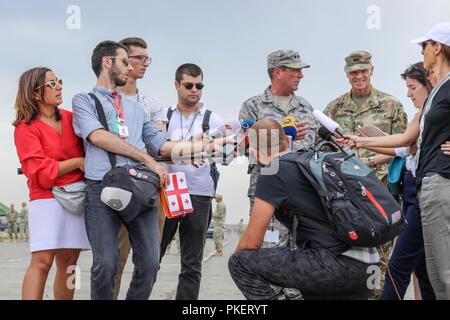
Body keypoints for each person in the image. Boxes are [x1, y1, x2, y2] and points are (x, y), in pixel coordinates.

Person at [72, 41, 225, 300]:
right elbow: (98, 137)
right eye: (124, 62)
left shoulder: (136, 109)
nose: (130, 67)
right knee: (106, 263)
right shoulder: (84, 101)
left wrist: (204, 146)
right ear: (106, 62)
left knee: (150, 263)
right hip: (102, 189)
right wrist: (146, 158)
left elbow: (163, 146)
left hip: (141, 189)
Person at [350, 23, 450, 299]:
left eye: (424, 46)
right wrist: (360, 142)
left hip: (439, 186)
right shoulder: (434, 98)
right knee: (430, 270)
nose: (422, 52)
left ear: (437, 48)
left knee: (428, 269)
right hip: (423, 187)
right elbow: (407, 140)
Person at [228, 119, 379, 300]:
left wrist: (237, 257)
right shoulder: (310, 161)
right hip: (369, 265)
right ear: (286, 139)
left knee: (239, 263)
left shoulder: (273, 172)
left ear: (255, 151)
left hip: (334, 265)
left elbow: (252, 242)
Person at [13, 67, 90, 300]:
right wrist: (77, 162)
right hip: (46, 198)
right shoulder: (25, 128)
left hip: (76, 197)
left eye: (59, 81)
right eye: (52, 84)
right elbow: (39, 171)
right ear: (35, 93)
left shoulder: (71, 118)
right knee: (42, 260)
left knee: (70, 262)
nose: (59, 87)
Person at [238, 49, 318, 249]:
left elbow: (314, 146)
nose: (301, 75)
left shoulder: (305, 107)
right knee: (268, 253)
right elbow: (244, 145)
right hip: (268, 191)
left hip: (302, 192)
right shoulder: (253, 106)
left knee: (302, 254)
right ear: (278, 72)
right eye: (296, 70)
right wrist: (282, 134)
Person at [158, 63, 224, 300]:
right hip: (168, 190)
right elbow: (153, 147)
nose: (194, 90)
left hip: (199, 193)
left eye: (199, 85)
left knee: (192, 263)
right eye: (188, 85)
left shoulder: (213, 119)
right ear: (177, 85)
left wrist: (212, 147)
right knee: (151, 256)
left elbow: (224, 154)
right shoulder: (162, 116)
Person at [113, 37, 168, 299]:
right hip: (117, 186)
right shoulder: (104, 100)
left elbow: (157, 145)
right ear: (123, 60)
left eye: (148, 58)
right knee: (114, 261)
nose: (146, 63)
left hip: (150, 188)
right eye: (140, 58)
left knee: (150, 263)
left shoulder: (153, 104)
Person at [324, 50, 408, 181]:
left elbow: (404, 147)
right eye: (354, 72)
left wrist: (370, 160)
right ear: (347, 73)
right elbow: (324, 146)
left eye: (364, 71)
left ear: (372, 70)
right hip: (347, 181)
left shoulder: (392, 105)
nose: (359, 76)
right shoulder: (334, 107)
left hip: (382, 181)